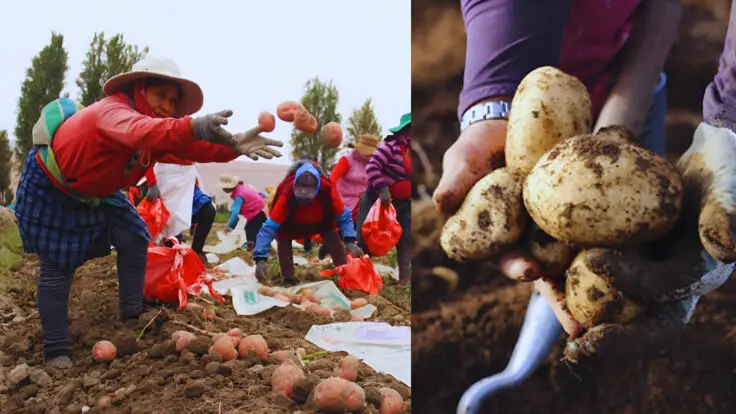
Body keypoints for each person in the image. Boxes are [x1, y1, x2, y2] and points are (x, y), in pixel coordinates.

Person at [434, 0, 736, 367]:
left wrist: (729, 121)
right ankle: (532, 354)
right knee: (551, 256)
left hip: (625, 66)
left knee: (635, 243)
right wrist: (494, 101)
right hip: (534, 85)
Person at [13, 56, 284, 368]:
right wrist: (192, 125)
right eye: (160, 96)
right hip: (57, 186)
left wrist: (234, 145)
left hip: (102, 190)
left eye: (173, 101)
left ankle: (131, 310)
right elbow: (141, 130)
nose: (168, 106)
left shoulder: (152, 132)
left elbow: (192, 147)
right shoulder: (111, 111)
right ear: (139, 89)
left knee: (134, 235)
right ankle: (56, 349)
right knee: (58, 268)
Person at [253, 158, 364, 285]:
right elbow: (269, 228)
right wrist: (260, 259)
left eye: (308, 195)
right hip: (291, 224)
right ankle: (288, 278)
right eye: (300, 194)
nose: (304, 197)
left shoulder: (327, 190)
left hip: (321, 221)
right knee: (283, 239)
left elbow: (344, 217)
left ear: (316, 188)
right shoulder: (287, 194)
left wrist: (350, 241)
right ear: (295, 186)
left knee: (333, 237)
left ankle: (344, 273)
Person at [356, 113, 412, 285]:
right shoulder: (390, 146)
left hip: (404, 204)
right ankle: (360, 276)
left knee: (405, 239)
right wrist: (384, 189)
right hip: (379, 201)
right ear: (405, 129)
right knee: (366, 237)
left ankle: (404, 278)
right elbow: (373, 167)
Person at [317, 134, 379, 259]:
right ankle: (329, 247)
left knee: (360, 231)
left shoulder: (375, 164)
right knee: (342, 229)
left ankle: (357, 258)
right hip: (344, 202)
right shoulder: (347, 161)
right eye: (368, 152)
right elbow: (332, 179)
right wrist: (329, 198)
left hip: (363, 204)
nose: (370, 155)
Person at [143, 159, 215, 262]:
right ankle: (168, 251)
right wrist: (151, 182)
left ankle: (196, 251)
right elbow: (145, 154)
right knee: (169, 221)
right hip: (166, 177)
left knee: (208, 212)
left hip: (187, 176)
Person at [218, 175, 268, 251]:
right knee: (256, 229)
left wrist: (229, 226)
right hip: (260, 209)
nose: (223, 189)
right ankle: (261, 246)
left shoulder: (239, 195)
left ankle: (252, 248)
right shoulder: (241, 188)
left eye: (224, 187)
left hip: (257, 211)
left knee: (250, 229)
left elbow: (235, 212)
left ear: (230, 187)